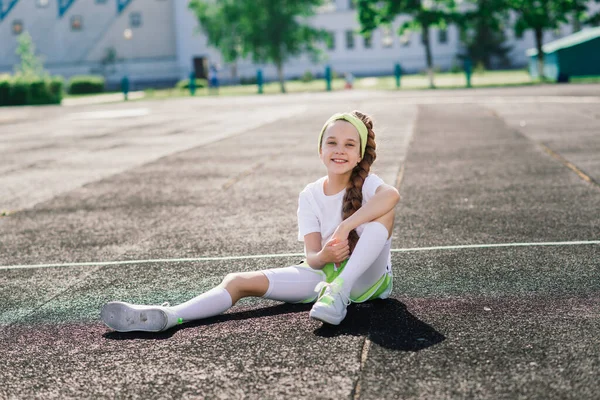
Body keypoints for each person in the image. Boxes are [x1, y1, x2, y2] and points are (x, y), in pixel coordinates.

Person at [101, 110, 400, 332]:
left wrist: (345, 227)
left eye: (349, 145)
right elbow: (312, 258)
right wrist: (324, 255)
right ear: (320, 150)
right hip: (325, 275)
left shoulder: (369, 184)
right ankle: (170, 316)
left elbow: (392, 195)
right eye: (332, 142)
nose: (339, 150)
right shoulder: (309, 194)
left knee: (380, 216)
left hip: (367, 281)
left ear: (360, 154)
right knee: (237, 281)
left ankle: (340, 293)